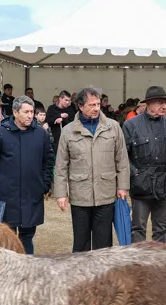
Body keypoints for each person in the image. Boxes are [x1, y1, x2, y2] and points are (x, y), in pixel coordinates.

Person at [54, 87, 129, 252]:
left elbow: (122, 159)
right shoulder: (68, 131)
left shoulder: (113, 127)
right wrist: (60, 193)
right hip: (80, 195)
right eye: (91, 105)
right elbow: (61, 165)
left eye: (98, 104)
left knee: (104, 244)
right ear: (80, 106)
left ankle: (103, 277)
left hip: (105, 194)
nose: (96, 108)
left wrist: (123, 186)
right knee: (81, 243)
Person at [0, 96, 54, 254]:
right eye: (26, 112)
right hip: (7, 193)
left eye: (32, 112)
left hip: (32, 193)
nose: (30, 115)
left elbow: (48, 160)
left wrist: (45, 184)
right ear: (15, 112)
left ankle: (28, 268)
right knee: (8, 236)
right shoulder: (0, 134)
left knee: (27, 236)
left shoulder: (40, 134)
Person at [123, 86, 166, 243]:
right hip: (141, 187)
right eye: (159, 102)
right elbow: (122, 156)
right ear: (148, 104)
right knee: (138, 229)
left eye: (165, 102)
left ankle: (159, 266)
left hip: (165, 187)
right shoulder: (131, 125)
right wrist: (136, 175)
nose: (164, 106)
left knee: (161, 230)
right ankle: (139, 266)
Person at [46, 90, 75, 154]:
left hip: (69, 140)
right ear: (60, 99)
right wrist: (58, 117)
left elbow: (73, 124)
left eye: (69, 100)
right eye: (66, 100)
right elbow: (48, 121)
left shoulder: (71, 109)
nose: (67, 102)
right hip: (55, 141)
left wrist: (64, 119)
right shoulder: (51, 108)